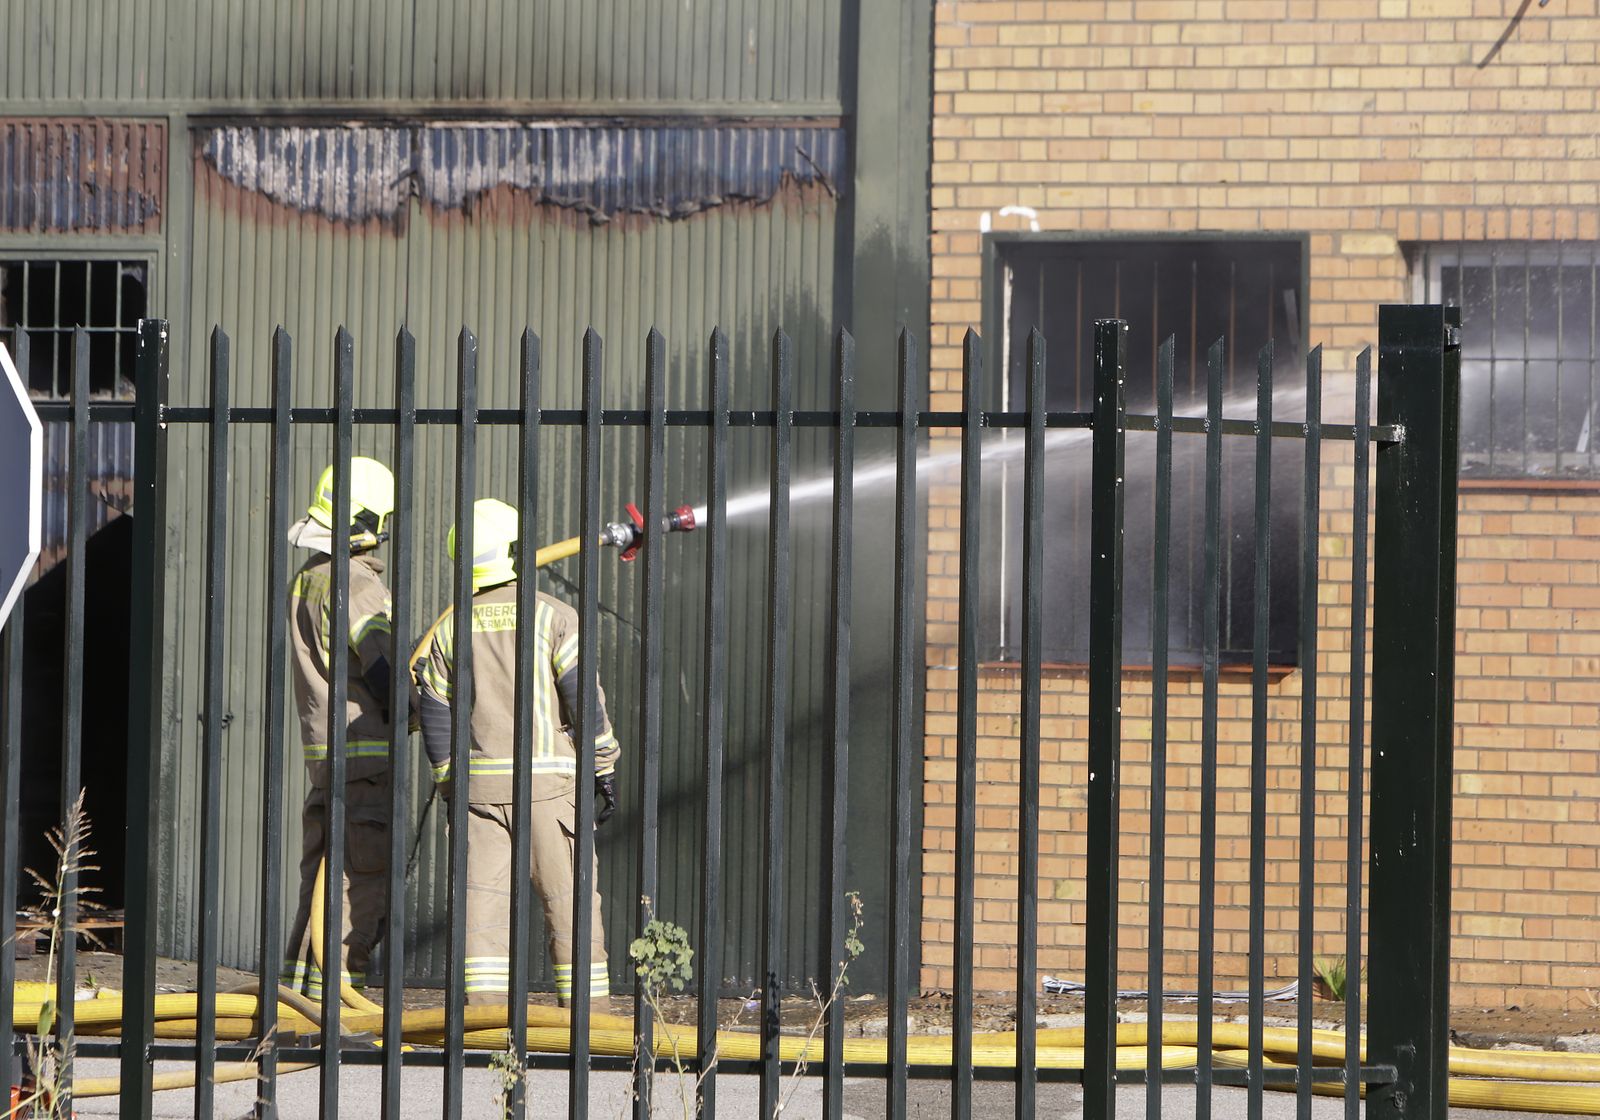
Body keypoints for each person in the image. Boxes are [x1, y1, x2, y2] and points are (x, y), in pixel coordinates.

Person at [415, 498, 618, 1007]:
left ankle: (484, 1028)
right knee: (569, 904)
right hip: (549, 791)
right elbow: (583, 703)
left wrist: (448, 780)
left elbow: (434, 710)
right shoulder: (555, 618)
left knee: (480, 911)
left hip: (479, 794)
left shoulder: (450, 626)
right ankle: (585, 1023)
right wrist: (604, 767)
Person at [282, 457, 397, 1003]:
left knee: (321, 881)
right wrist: (419, 703)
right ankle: (340, 1003)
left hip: (325, 760)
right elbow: (381, 665)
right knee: (359, 880)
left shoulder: (307, 579)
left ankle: (300, 998)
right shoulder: (355, 582)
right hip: (363, 759)